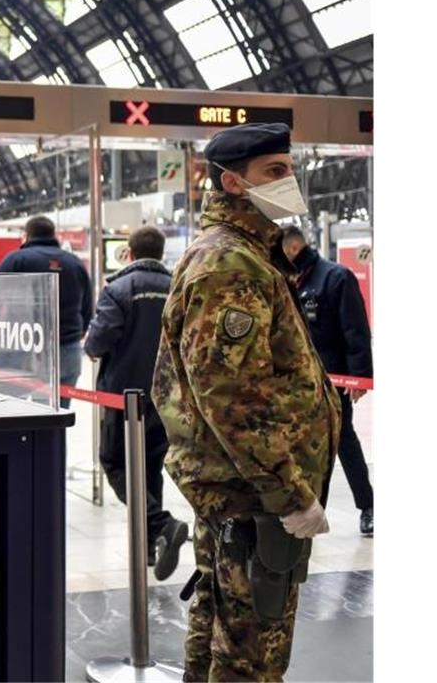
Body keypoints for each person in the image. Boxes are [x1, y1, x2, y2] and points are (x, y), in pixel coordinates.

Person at [151, 123, 341, 681]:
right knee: (253, 652)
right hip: (253, 495)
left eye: (288, 168)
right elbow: (232, 397)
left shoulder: (246, 254)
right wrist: (289, 494)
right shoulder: (231, 264)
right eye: (274, 172)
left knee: (221, 626)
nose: (290, 180)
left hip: (239, 489)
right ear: (233, 183)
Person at [84, 225, 187, 581]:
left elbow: (99, 341)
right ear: (160, 252)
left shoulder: (118, 289)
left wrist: (90, 345)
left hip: (121, 396)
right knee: (150, 466)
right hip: (164, 396)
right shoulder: (178, 287)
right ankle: (150, 543)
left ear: (128, 252)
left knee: (114, 462)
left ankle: (162, 524)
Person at [282, 225, 374, 536]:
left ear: (293, 248)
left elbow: (355, 330)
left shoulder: (334, 277)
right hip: (295, 384)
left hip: (331, 381)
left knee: (343, 441)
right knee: (297, 445)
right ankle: (306, 509)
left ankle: (368, 507)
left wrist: (359, 376)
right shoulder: (284, 280)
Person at [0, 215, 93, 408]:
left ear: (26, 235)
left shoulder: (16, 260)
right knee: (57, 417)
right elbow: (87, 307)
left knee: (11, 413)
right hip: (68, 349)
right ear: (53, 234)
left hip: (21, 348)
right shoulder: (75, 263)